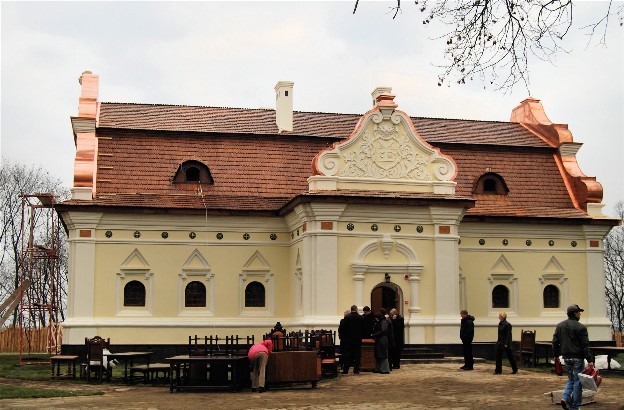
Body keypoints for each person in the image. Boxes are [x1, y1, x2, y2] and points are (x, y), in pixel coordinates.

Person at [552, 304, 594, 410]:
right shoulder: (581, 327)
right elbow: (585, 346)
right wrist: (590, 360)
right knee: (577, 381)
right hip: (577, 358)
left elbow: (555, 342)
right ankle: (575, 406)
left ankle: (565, 398)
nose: (580, 314)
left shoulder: (560, 325)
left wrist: (556, 355)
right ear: (575, 313)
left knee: (571, 379)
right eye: (579, 312)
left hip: (566, 357)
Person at [341, 305, 364, 374]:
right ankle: (356, 370)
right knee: (357, 354)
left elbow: (343, 329)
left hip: (348, 339)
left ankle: (345, 370)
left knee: (348, 354)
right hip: (358, 339)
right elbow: (363, 328)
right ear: (356, 309)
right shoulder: (360, 317)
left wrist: (344, 338)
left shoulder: (347, 317)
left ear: (351, 310)